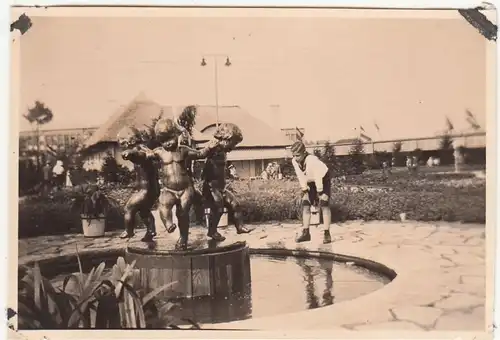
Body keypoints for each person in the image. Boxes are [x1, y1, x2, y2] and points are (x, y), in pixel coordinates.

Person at [139, 118, 220, 250]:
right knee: (163, 205)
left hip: (185, 189)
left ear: (177, 135)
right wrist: (145, 152)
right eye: (164, 141)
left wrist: (209, 147)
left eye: (171, 138)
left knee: (182, 213)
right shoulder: (159, 152)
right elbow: (148, 155)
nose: (168, 143)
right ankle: (168, 224)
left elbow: (200, 154)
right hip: (168, 189)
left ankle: (183, 238)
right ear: (160, 141)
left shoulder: (184, 150)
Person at [201, 123, 252, 242]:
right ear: (225, 139)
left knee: (235, 204)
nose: (233, 147)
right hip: (211, 187)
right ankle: (212, 231)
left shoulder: (224, 151)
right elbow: (203, 158)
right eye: (233, 143)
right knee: (218, 209)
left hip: (221, 187)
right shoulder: (213, 148)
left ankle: (239, 227)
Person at [118, 132, 161, 242]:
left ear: (131, 140)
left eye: (123, 140)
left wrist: (129, 153)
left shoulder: (139, 150)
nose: (120, 143)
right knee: (144, 210)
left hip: (145, 190)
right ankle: (151, 230)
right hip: (152, 189)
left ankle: (129, 231)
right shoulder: (145, 148)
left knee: (129, 208)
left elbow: (139, 155)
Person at [290, 140, 332, 244]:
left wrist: (320, 192)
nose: (296, 158)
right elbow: (300, 175)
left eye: (298, 155)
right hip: (310, 181)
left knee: (324, 204)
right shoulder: (294, 161)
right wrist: (305, 190)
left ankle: (327, 233)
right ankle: (306, 233)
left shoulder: (312, 160)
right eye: (294, 155)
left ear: (304, 153)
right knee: (306, 204)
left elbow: (318, 176)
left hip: (322, 178)